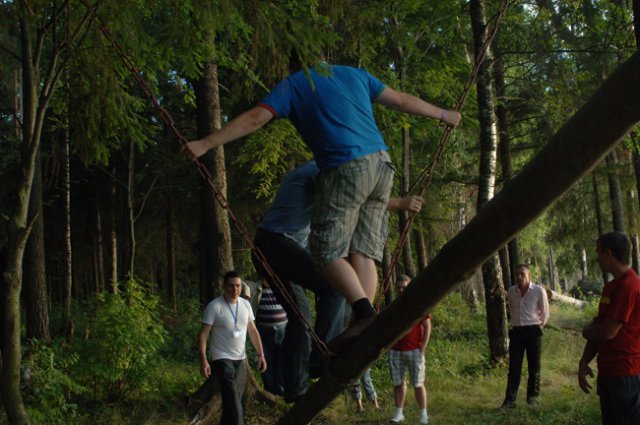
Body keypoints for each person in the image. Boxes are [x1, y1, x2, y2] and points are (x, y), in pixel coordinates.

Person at [185, 60, 461, 347]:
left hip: (345, 164)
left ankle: (364, 314)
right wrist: (443, 114)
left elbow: (255, 118)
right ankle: (361, 326)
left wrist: (205, 144)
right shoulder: (355, 75)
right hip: (382, 165)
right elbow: (402, 100)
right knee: (363, 251)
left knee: (327, 251)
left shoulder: (294, 84)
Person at [251, 159, 423, 400]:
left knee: (300, 316)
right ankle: (321, 357)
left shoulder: (318, 169)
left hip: (271, 246)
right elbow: (354, 199)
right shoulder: (320, 170)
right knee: (335, 286)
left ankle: (296, 388)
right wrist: (400, 203)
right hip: (276, 243)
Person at [578, 232, 640, 425]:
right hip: (609, 372)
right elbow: (600, 328)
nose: (596, 258)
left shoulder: (629, 286)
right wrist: (584, 361)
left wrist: (585, 331)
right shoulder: (611, 287)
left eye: (598, 252)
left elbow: (607, 332)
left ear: (609, 254)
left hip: (625, 374)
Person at [197, 271, 267, 425]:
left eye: (238, 286)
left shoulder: (246, 305)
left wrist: (261, 354)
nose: (235, 289)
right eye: (231, 286)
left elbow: (253, 331)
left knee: (234, 398)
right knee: (233, 396)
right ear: (224, 286)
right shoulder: (214, 306)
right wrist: (204, 361)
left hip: (240, 359)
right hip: (221, 358)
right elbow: (203, 335)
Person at [501, 263, 550, 408]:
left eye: (522, 274)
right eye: (517, 274)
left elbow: (545, 312)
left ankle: (532, 398)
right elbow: (512, 308)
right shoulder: (511, 291)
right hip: (517, 332)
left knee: (534, 366)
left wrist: (538, 326)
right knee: (514, 367)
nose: (519, 277)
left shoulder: (538, 291)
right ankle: (510, 400)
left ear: (529, 276)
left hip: (533, 331)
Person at [388, 274, 431, 424]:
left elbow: (427, 326)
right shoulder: (393, 306)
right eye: (399, 287)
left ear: (410, 287)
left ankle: (423, 414)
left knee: (418, 383)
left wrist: (423, 347)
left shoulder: (418, 304)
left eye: (404, 287)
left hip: (414, 349)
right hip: (395, 350)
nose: (401, 290)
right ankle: (399, 413)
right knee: (398, 383)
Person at [253, 279, 287, 397]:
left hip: (283, 329)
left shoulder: (281, 287)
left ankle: (281, 388)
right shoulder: (256, 288)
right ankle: (269, 389)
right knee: (265, 358)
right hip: (263, 330)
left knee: (282, 358)